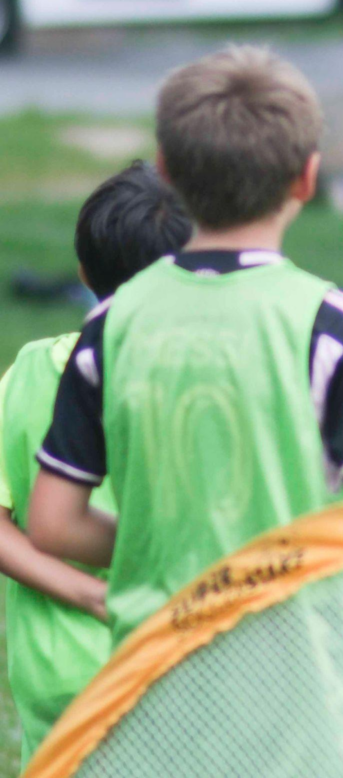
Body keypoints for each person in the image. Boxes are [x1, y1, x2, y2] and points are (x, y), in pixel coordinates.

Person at [29, 46, 343, 773]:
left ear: (168, 170)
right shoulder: (334, 328)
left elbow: (52, 524)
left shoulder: (109, 330)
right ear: (307, 177)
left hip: (152, 705)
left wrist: (181, 547)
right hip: (304, 717)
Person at [0, 162, 191, 767]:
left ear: (84, 272)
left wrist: (85, 594)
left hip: (62, 682)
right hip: (186, 672)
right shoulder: (210, 386)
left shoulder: (31, 370)